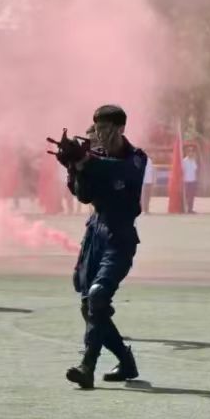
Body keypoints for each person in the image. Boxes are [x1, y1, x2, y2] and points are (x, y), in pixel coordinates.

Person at [61, 105, 147, 389]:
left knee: (98, 297)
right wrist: (74, 168)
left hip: (119, 238)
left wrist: (86, 160)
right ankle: (125, 359)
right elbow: (83, 196)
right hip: (94, 236)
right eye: (96, 128)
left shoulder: (136, 158)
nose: (99, 134)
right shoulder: (93, 159)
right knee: (89, 306)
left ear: (121, 129)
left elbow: (122, 170)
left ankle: (87, 366)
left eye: (105, 128)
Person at [182, 146, 199, 213]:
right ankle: (186, 209)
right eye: (189, 151)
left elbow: (195, 170)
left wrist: (196, 179)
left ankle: (190, 209)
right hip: (186, 181)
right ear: (187, 152)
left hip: (193, 180)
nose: (191, 153)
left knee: (191, 196)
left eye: (192, 151)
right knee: (186, 196)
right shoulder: (184, 161)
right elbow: (182, 171)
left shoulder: (193, 160)